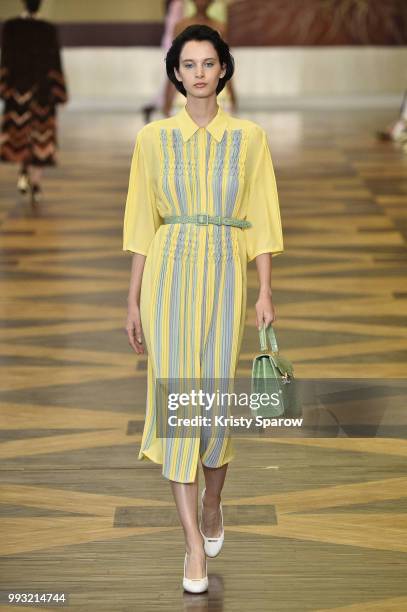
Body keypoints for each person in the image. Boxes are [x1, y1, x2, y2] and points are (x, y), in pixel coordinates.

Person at [123, 24, 284, 593]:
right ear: (175, 73)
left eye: (207, 63)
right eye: (187, 64)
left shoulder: (250, 138)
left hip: (223, 273)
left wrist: (264, 290)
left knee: (213, 403)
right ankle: (193, 545)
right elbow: (143, 222)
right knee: (177, 402)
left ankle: (214, 501)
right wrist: (133, 297)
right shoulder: (152, 140)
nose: (197, 73)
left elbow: (262, 217)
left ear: (223, 70)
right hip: (168, 276)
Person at [0, 0, 68, 204]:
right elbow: (55, 62)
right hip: (43, 95)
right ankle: (36, 183)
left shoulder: (11, 27)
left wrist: (4, 88)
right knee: (41, 140)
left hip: (17, 93)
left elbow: (5, 60)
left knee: (19, 138)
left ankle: (23, 172)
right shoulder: (48, 30)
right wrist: (60, 92)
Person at [164, 0, 237, 116]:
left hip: (216, 92)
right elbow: (174, 64)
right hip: (186, 92)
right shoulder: (180, 26)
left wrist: (233, 96)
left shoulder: (220, 27)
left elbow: (225, 62)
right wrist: (167, 100)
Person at [140, 0, 184, 124]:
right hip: (174, 43)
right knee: (172, 77)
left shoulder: (174, 4)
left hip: (171, 43)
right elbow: (176, 26)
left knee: (171, 77)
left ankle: (155, 106)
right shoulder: (178, 4)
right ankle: (160, 107)